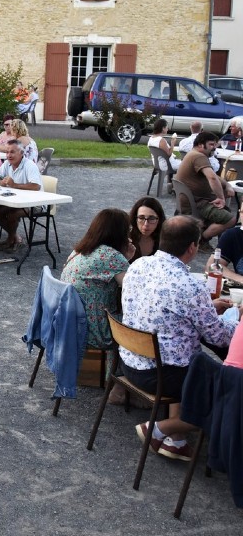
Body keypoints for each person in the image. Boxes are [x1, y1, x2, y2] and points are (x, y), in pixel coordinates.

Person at [121, 216, 239, 461]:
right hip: (163, 375)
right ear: (193, 247)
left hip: (130, 361)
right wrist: (234, 317)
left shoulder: (138, 265)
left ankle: (176, 442)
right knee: (230, 393)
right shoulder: (190, 287)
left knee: (186, 349)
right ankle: (160, 428)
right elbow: (218, 338)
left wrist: (208, 308)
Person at [62, 208, 134, 352]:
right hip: (95, 331)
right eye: (128, 229)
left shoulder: (80, 250)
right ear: (120, 233)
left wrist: (124, 260)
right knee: (147, 324)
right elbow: (134, 292)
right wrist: (126, 261)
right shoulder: (111, 256)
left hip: (69, 324)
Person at [173, 130, 234, 249]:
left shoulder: (192, 154)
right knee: (230, 220)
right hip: (197, 203)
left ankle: (209, 238)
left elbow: (214, 176)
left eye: (215, 145)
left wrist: (227, 185)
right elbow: (212, 177)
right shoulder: (198, 156)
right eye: (211, 144)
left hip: (193, 199)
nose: (214, 148)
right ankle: (201, 240)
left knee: (224, 209)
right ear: (201, 145)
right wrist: (221, 198)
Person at [0, 140, 42, 251]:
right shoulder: (7, 164)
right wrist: (1, 181)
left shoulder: (29, 165)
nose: (8, 155)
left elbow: (36, 186)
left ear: (21, 153)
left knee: (13, 214)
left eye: (12, 152)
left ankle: (10, 240)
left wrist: (14, 185)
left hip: (35, 204)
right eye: (7, 152)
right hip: (15, 201)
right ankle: (15, 238)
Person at [128, 196, 165, 263]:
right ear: (135, 218)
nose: (146, 224)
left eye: (151, 218)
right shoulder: (126, 239)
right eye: (141, 218)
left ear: (159, 220)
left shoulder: (165, 240)